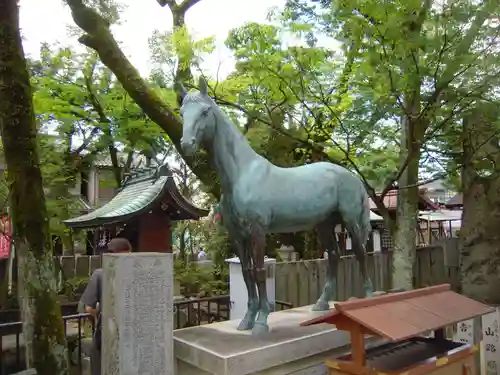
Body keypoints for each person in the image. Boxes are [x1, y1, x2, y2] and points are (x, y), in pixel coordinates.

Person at [80, 237, 132, 375]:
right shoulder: (135, 274)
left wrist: (100, 311)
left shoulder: (100, 274)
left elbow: (88, 308)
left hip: (108, 331)